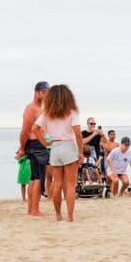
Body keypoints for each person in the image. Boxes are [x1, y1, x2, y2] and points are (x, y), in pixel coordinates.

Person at [32, 84, 83, 222]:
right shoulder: (71, 112)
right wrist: (81, 152)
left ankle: (58, 215)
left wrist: (45, 143)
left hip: (55, 147)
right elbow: (78, 133)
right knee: (71, 184)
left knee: (57, 183)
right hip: (68, 146)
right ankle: (70, 216)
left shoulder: (47, 113)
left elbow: (35, 128)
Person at [18, 81, 52, 217]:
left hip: (39, 144)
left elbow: (44, 129)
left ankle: (31, 209)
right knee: (37, 179)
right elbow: (24, 131)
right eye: (44, 92)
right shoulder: (31, 108)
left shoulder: (42, 109)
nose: (46, 95)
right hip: (35, 145)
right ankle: (34, 209)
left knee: (34, 178)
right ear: (37, 92)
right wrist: (21, 148)